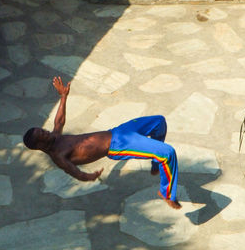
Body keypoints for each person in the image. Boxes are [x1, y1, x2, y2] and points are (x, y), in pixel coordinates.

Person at [23, 77, 181, 209]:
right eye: (42, 134)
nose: (46, 131)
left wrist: (63, 96)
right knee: (168, 153)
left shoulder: (55, 137)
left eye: (42, 130)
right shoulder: (59, 156)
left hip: (118, 131)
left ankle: (155, 163)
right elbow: (76, 173)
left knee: (159, 122)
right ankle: (166, 193)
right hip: (118, 145)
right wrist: (91, 176)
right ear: (40, 145)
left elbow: (59, 121)